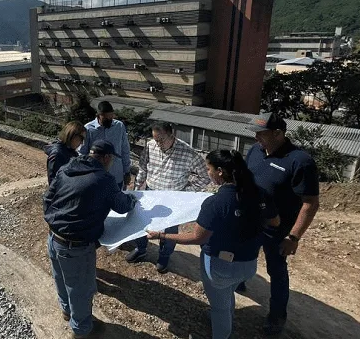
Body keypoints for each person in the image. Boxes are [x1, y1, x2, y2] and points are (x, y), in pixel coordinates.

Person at [147, 150, 279, 339]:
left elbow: (197, 237)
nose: (207, 172)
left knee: (219, 307)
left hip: (220, 267)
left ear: (219, 171)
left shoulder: (216, 202)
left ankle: (221, 326)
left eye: (208, 168)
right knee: (226, 294)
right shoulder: (259, 193)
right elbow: (275, 222)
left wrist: (162, 235)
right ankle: (226, 314)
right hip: (249, 264)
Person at [44, 140, 138, 338]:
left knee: (61, 278)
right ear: (106, 158)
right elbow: (122, 205)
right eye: (111, 159)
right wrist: (132, 199)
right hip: (76, 246)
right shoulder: (103, 179)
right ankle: (82, 329)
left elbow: (47, 198)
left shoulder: (68, 167)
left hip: (53, 238)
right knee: (81, 289)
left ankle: (67, 311)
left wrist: (55, 223)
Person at [245, 113, 320, 335]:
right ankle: (239, 283)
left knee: (276, 271)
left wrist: (293, 237)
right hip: (250, 221)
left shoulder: (300, 161)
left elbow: (310, 204)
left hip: (278, 230)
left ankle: (277, 316)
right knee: (242, 255)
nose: (256, 137)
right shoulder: (255, 151)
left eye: (261, 133)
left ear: (278, 133)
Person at [126, 122, 213, 273]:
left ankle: (164, 256)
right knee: (143, 221)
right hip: (151, 191)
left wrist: (187, 190)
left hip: (173, 197)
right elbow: (143, 167)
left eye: (161, 139)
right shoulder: (150, 146)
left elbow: (205, 175)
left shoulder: (187, 152)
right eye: (155, 139)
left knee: (170, 228)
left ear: (172, 135)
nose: (157, 143)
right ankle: (141, 249)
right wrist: (137, 187)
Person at [78, 101, 131, 190]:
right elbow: (82, 153)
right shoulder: (88, 129)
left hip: (116, 175)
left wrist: (127, 171)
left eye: (111, 116)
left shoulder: (119, 126)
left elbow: (125, 150)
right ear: (98, 115)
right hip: (96, 176)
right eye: (106, 118)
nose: (109, 119)